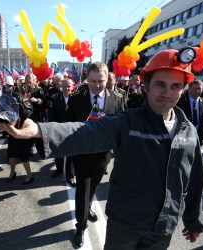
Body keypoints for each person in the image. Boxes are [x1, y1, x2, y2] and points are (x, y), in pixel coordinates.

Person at [0, 49, 203, 249]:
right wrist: (39, 130)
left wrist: (193, 220)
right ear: (146, 86)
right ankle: (81, 224)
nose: (167, 93)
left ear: (183, 89)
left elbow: (193, 181)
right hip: (126, 226)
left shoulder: (188, 132)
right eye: (160, 84)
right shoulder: (129, 122)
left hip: (163, 229)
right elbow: (87, 131)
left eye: (175, 86)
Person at [64, 62, 125, 247]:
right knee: (83, 189)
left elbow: (121, 124)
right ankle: (80, 228)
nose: (97, 85)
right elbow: (68, 127)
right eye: (93, 81)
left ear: (107, 79)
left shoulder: (117, 97)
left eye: (101, 81)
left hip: (103, 154)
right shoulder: (76, 99)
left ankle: (88, 207)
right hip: (82, 153)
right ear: (87, 79)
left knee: (94, 186)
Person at [48, 78, 76, 187]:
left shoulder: (76, 98)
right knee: (58, 152)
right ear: (61, 86)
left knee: (70, 154)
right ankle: (59, 170)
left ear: (72, 86)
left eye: (69, 86)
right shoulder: (55, 98)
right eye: (64, 86)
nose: (66, 88)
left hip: (72, 130)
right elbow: (51, 115)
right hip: (58, 129)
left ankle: (70, 175)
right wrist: (52, 129)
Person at [177, 79, 203, 145]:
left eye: (199, 88)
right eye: (194, 88)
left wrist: (202, 135)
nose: (197, 91)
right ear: (189, 89)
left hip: (197, 135)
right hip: (182, 135)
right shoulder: (180, 101)